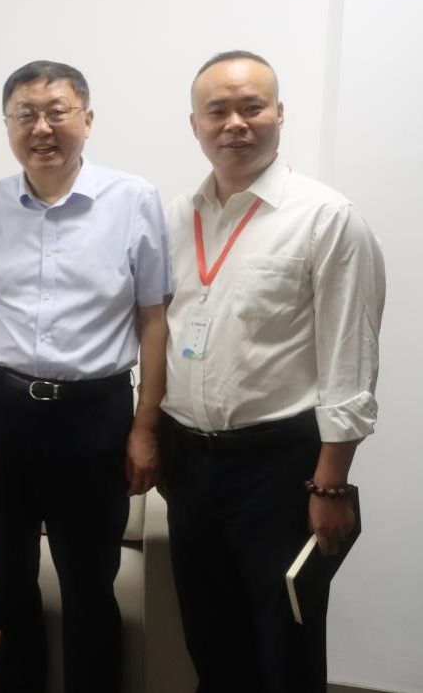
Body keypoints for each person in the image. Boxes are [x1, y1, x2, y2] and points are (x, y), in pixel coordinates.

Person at [159, 51, 386, 692]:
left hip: (281, 468)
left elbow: (351, 360)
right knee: (210, 638)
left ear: (279, 113)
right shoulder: (175, 216)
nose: (235, 123)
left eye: (251, 107)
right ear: (195, 124)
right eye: (218, 111)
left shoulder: (326, 217)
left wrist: (330, 486)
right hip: (188, 462)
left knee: (285, 643)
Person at [0, 61, 171, 693]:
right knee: (7, 575)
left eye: (56, 112)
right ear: (7, 126)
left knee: (89, 580)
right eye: (25, 115)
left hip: (94, 415)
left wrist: (145, 427)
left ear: (87, 119)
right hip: (4, 408)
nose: (41, 128)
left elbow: (154, 321)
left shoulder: (133, 200)